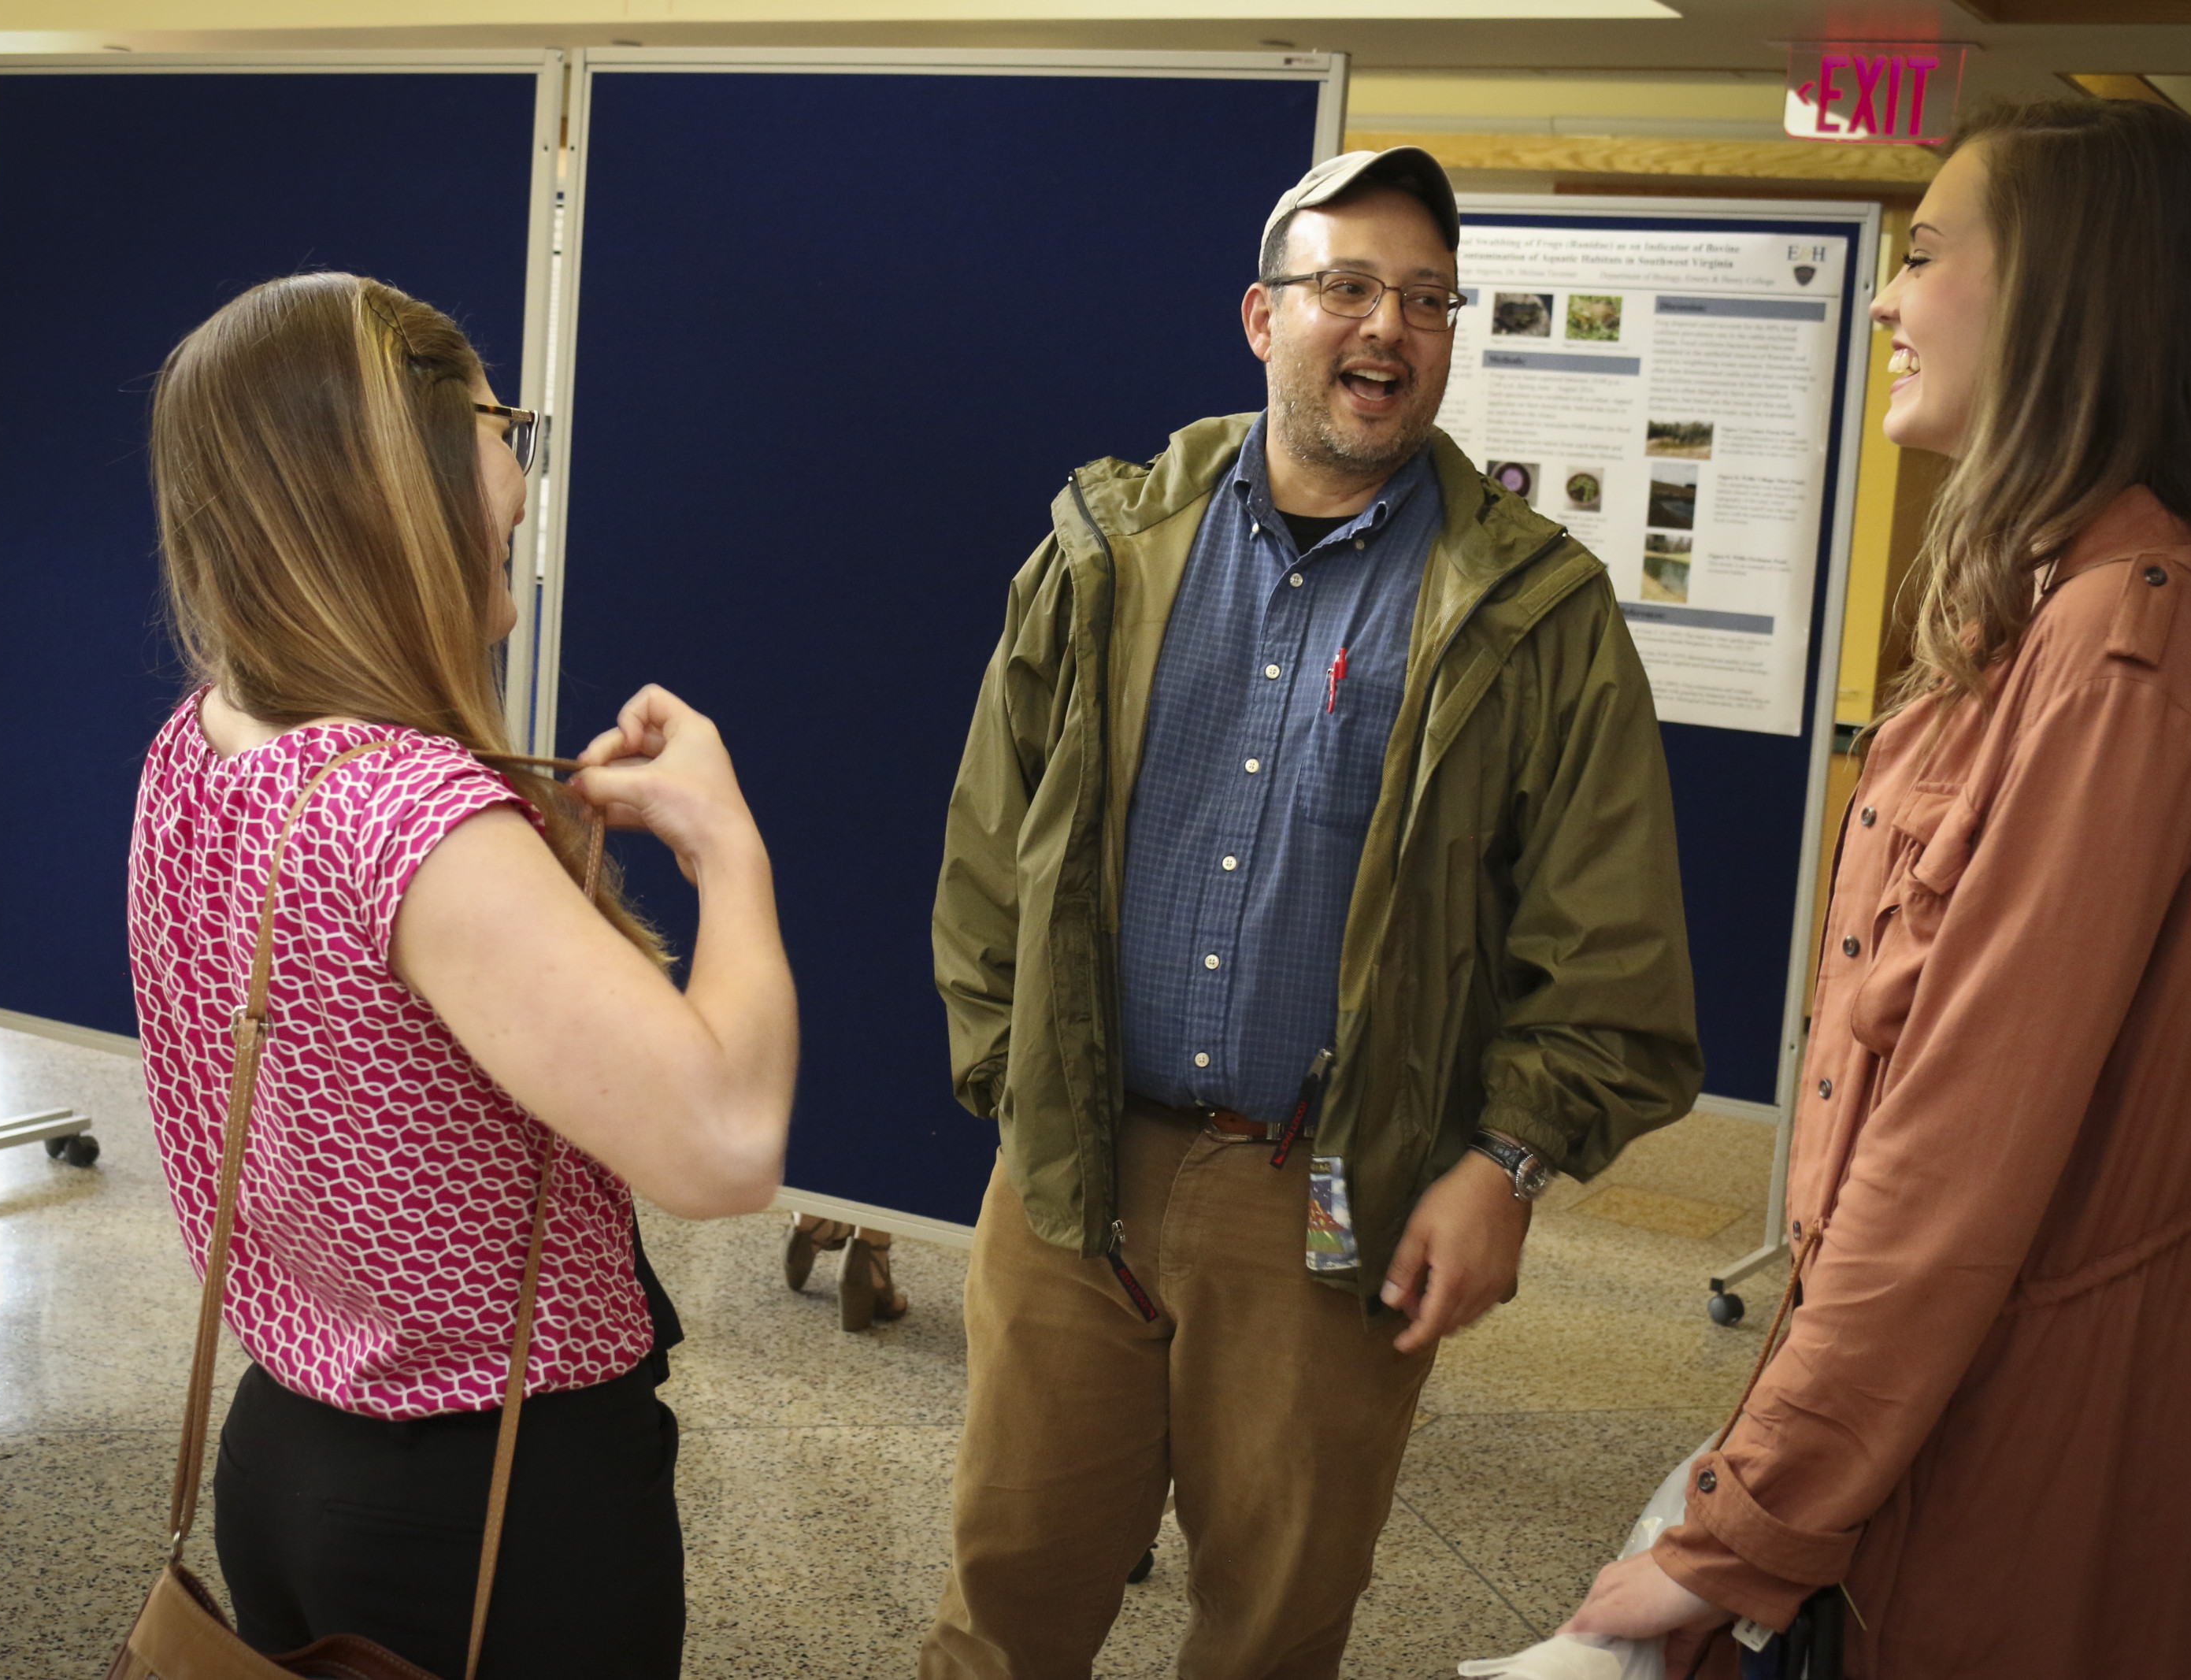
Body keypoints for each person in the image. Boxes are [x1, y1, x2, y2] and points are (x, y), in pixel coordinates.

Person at [924, 148, 1702, 1678]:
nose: (1387, 330)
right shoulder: (1107, 554)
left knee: (1272, 1622)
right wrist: (1014, 1082)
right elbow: (986, 849)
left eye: (1426, 299)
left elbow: (1611, 959)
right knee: (1006, 1595)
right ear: (1260, 315)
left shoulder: (1527, 609)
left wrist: (1507, 1159)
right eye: (1346, 286)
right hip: (1076, 1165)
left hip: (1328, 1193)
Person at [1565, 98, 2191, 1678]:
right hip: (1937, 1396)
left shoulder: (2132, 646)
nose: (1888, 302)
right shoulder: (2075, 612)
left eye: (1922, 255)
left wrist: (1736, 1526)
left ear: (2061, 291)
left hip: (1991, 1432)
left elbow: (1953, 1160)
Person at [128, 272, 798, 1676]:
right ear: (392, 468)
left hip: (289, 1452)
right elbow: (728, 1146)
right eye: (506, 422)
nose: (520, 469)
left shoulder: (205, 745)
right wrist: (726, 841)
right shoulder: (414, 820)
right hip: (486, 1506)